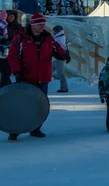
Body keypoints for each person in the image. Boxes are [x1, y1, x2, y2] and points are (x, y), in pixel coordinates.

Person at [6, 12, 70, 141]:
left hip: (43, 78)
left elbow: (56, 48)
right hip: (26, 77)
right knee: (22, 105)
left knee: (39, 106)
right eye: (40, 24)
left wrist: (63, 55)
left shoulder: (47, 37)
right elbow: (12, 55)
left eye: (44, 24)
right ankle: (15, 130)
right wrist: (16, 71)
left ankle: (36, 128)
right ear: (33, 24)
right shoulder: (21, 37)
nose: (43, 26)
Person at [0, 10, 23, 88]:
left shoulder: (18, 27)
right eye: (9, 16)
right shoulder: (3, 25)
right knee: (5, 71)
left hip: (15, 51)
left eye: (12, 16)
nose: (11, 18)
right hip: (4, 51)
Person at [52, 25, 70, 93]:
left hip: (58, 58)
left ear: (57, 31)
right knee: (49, 73)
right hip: (57, 58)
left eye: (54, 31)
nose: (53, 32)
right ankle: (42, 85)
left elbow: (59, 49)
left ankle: (64, 88)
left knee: (60, 74)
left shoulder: (58, 39)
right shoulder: (61, 37)